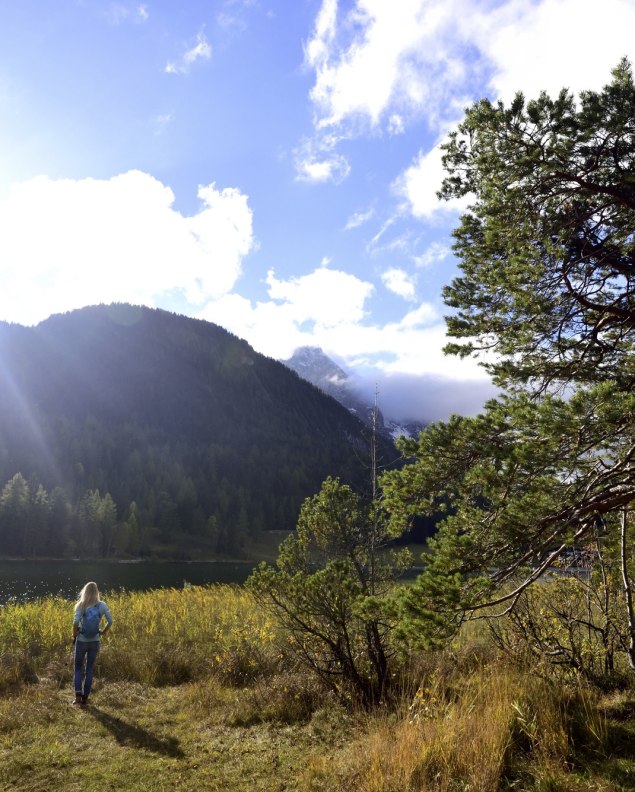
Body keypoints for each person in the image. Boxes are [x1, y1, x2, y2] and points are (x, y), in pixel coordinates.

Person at [72, 581, 113, 707]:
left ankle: (78, 696)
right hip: (95, 641)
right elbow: (110, 621)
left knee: (78, 668)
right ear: (97, 592)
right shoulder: (101, 605)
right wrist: (103, 632)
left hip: (82, 641)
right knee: (89, 668)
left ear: (84, 591)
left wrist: (74, 634)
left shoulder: (81, 605)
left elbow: (75, 622)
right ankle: (85, 698)